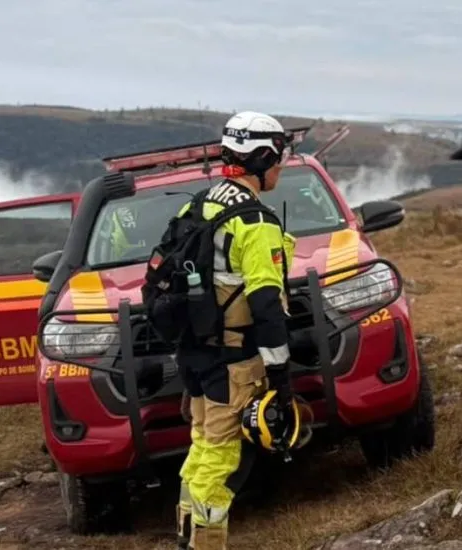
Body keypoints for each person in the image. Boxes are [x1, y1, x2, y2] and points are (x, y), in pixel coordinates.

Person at [174, 111, 295, 550]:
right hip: (234, 361)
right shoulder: (254, 223)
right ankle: (205, 545)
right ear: (263, 158)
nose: (281, 165)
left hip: (196, 354)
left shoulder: (199, 204)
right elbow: (267, 305)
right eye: (280, 156)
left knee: (202, 449)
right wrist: (281, 376)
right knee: (222, 461)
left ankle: (185, 535)